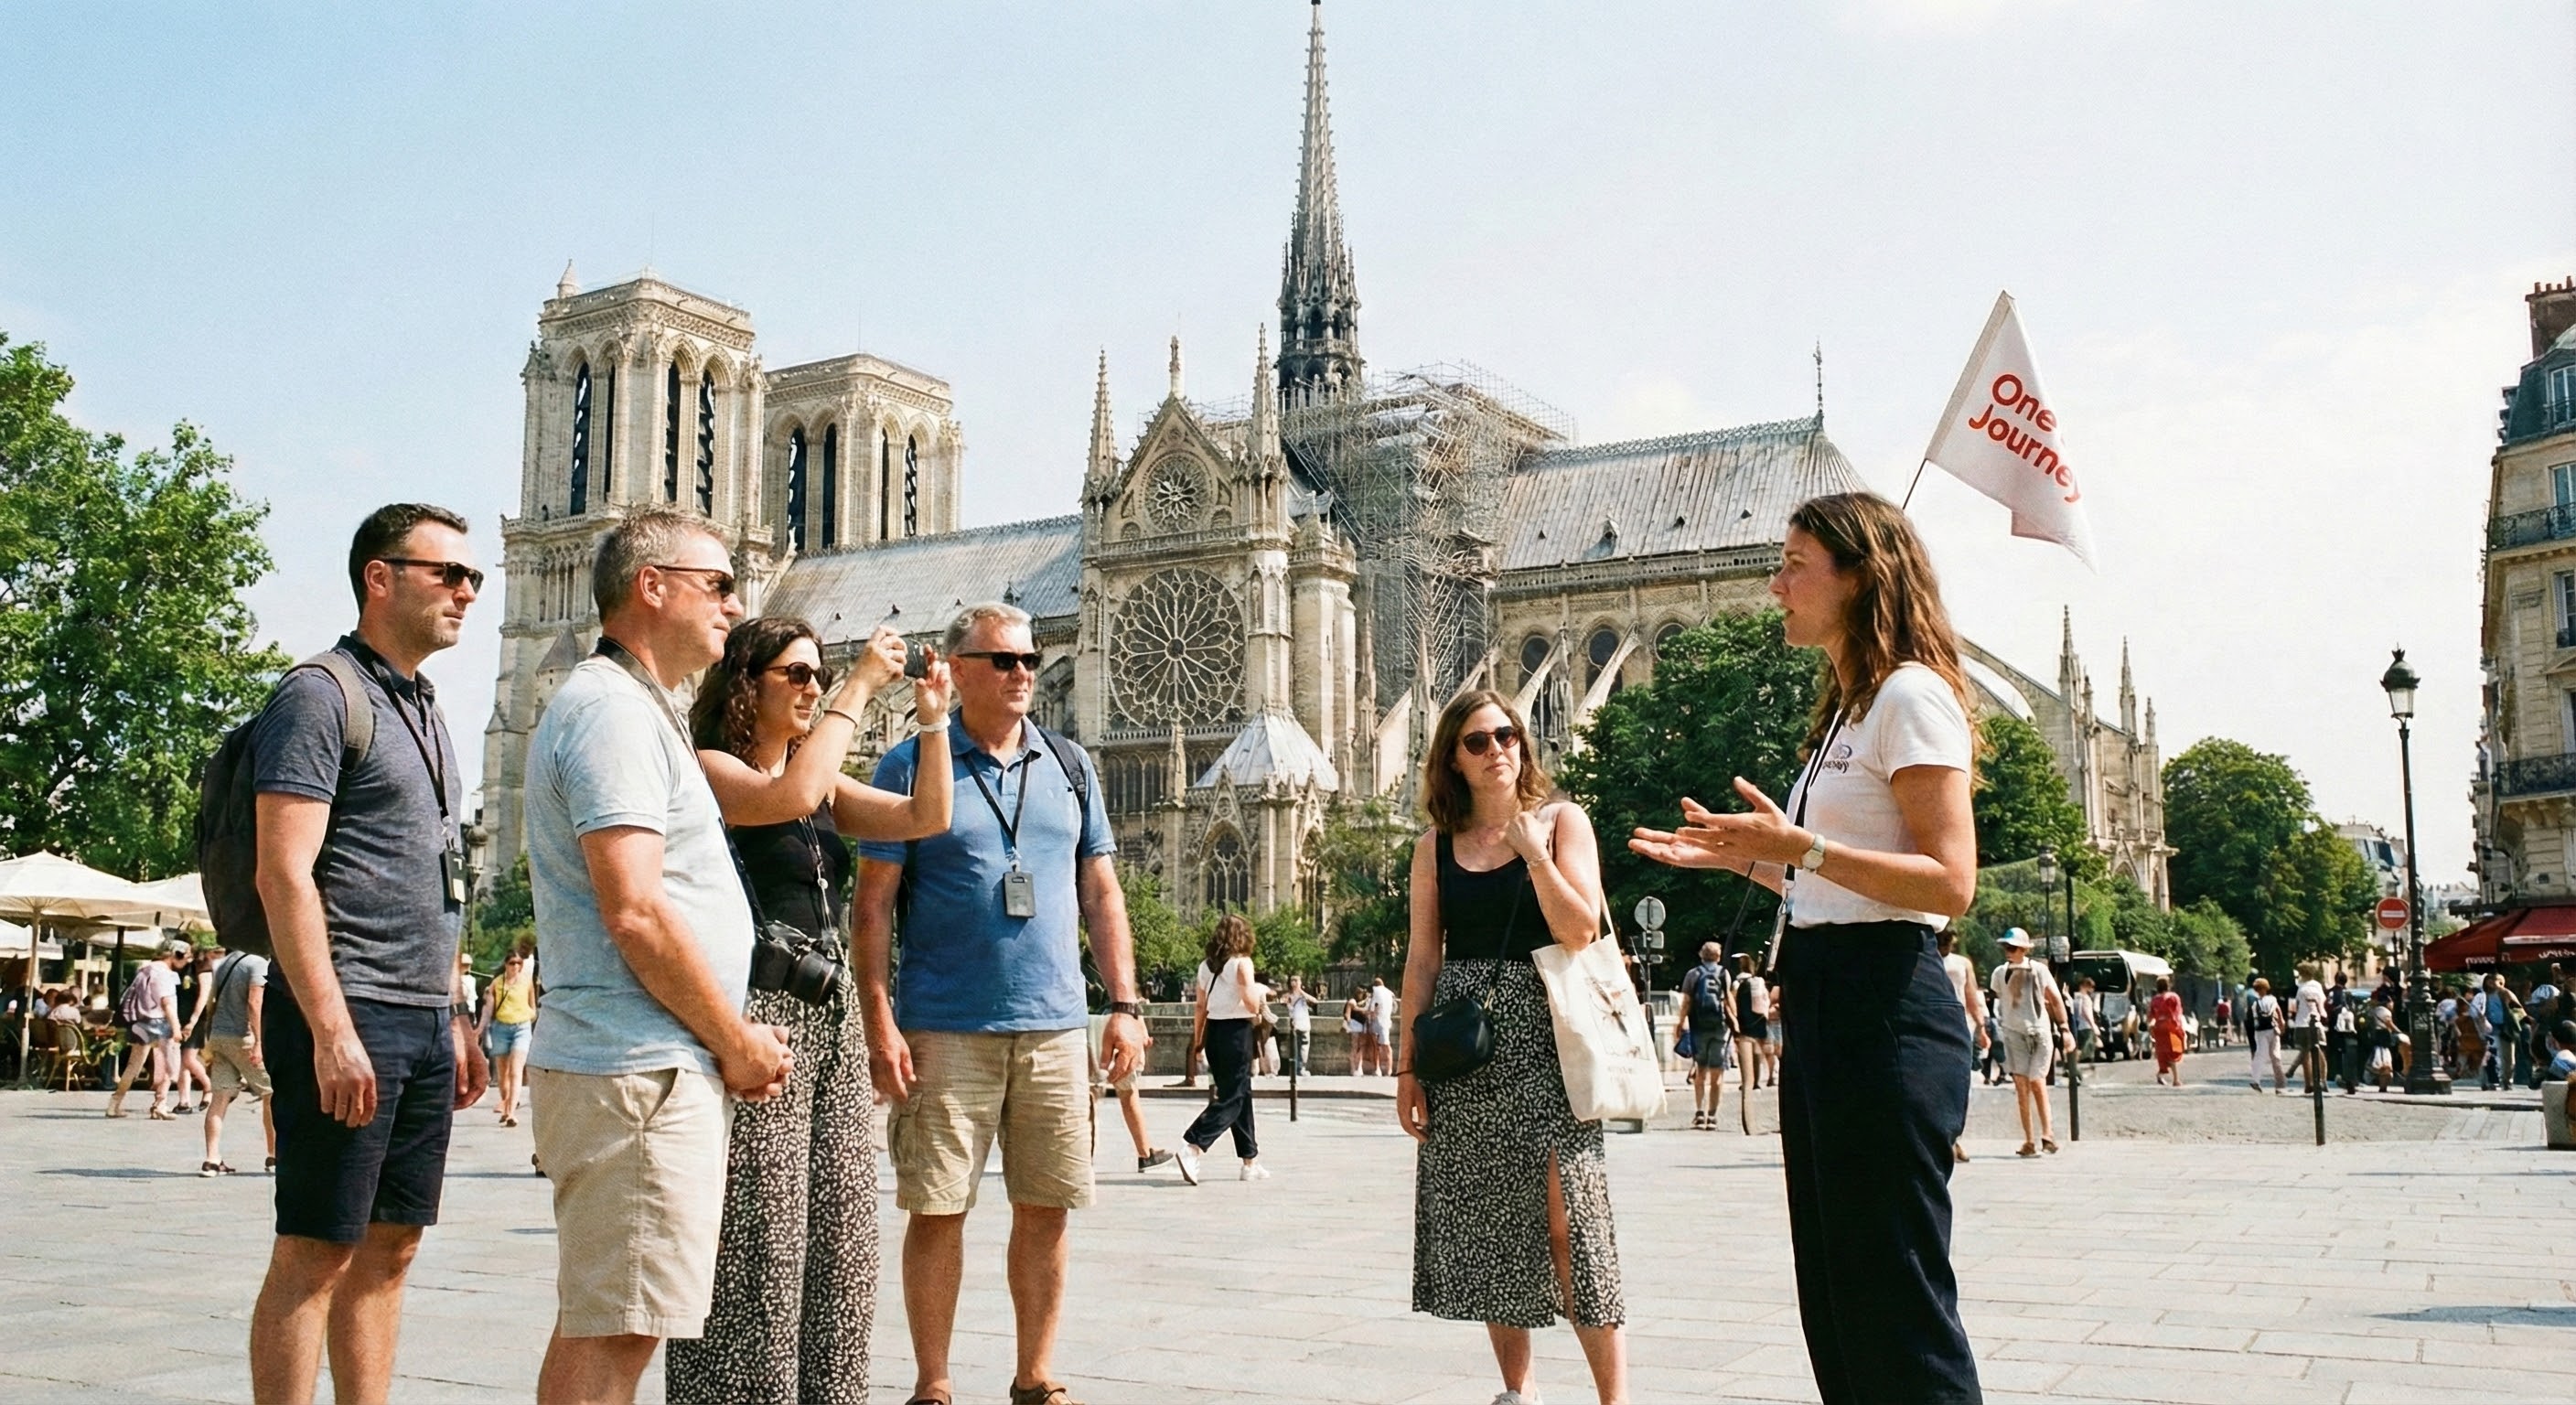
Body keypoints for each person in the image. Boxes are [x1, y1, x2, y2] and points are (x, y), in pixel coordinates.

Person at [1631, 491, 1982, 1404]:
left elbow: (1948, 884)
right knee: (1838, 1306)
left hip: (1883, 1004)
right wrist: (1749, 860)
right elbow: (1827, 886)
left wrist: (1801, 847)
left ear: (1859, 577)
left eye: (1792, 564)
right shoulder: (1849, 710)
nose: (1775, 584)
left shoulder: (1909, 695)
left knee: (1898, 1310)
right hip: (1829, 999)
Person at [521, 507, 791, 1404]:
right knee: (617, 1333)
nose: (735, 603)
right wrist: (734, 1038)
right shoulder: (611, 714)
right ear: (652, 588)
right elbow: (634, 910)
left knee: (612, 1325)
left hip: (641, 1065)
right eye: (717, 584)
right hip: (636, 1070)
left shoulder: (633, 708)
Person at [852, 600, 1148, 1405]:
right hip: (945, 1023)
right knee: (938, 1208)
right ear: (955, 672)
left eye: (1030, 658)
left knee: (1048, 1207)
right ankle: (934, 1382)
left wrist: (1123, 1001)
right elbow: (872, 906)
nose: (1026, 673)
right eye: (1006, 662)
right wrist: (879, 1016)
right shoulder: (911, 764)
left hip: (1054, 1023)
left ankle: (1035, 1373)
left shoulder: (1071, 764)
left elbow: (1102, 891)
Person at [664, 615, 956, 1405]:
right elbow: (784, 796)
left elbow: (924, 818)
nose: (812, 687)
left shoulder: (816, 774)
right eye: (796, 674)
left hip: (830, 1021)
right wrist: (860, 685)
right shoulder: (709, 766)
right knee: (762, 1243)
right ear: (743, 684)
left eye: (818, 674)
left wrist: (932, 721)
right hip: (760, 1013)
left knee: (842, 1241)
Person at [246, 503, 491, 1405]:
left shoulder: (424, 705)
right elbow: (283, 874)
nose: (467, 592)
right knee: (315, 1252)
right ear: (378, 578)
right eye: (447, 575)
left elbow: (443, 879)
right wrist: (330, 1026)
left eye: (473, 578)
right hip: (351, 1009)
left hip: (423, 1019)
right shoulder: (320, 694)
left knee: (391, 1249)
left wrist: (457, 1013)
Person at [1400, 690, 1629, 1405]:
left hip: (1552, 1040)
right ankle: (1517, 1392)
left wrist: (1533, 856)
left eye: (1506, 735)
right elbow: (1421, 960)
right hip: (1468, 1053)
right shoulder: (1435, 847)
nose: (1497, 748)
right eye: (1477, 741)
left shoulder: (1563, 824)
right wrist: (1409, 1068)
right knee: (1496, 1225)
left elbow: (1580, 928)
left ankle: (1613, 1400)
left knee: (1573, 1225)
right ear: (1453, 761)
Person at [1175, 914, 1267, 1184]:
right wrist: (1260, 992)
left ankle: (1249, 1162)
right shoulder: (1242, 964)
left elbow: (1200, 1007)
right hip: (1236, 1033)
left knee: (1240, 1094)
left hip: (1214, 1033)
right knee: (1233, 1098)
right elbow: (1251, 1004)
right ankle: (1193, 1145)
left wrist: (1199, 1040)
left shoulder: (1206, 967)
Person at [1989, 931, 2072, 1156]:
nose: (2009, 952)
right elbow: (1999, 1000)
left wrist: (2065, 1029)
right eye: (2006, 947)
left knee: (2037, 1081)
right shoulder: (2000, 973)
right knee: (2021, 1085)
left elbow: (2055, 999)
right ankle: (2029, 1140)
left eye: (2013, 948)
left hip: (2039, 1032)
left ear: (2025, 949)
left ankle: (2048, 1134)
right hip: (2014, 1032)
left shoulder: (2040, 970)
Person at [201, 944, 276, 1178]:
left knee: (220, 1097)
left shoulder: (223, 963)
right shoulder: (257, 963)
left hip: (219, 1035)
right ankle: (274, 1156)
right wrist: (259, 1041)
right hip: (243, 1037)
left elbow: (211, 1001)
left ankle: (212, 1160)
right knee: (270, 1093)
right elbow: (255, 1002)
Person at [106, 941, 188, 1120]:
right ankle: (161, 1104)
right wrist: (176, 1028)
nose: (187, 962)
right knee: (170, 1065)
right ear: (175, 955)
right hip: (159, 1022)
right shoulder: (163, 974)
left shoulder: (144, 970)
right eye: (186, 957)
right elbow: (166, 1003)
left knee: (133, 1065)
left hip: (140, 1021)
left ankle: (114, 1103)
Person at [1935, 931, 1987, 1164]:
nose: (1946, 943)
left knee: (1960, 1085)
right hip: (1934, 1023)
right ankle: (1945, 1139)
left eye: (1949, 940)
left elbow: (1971, 994)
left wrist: (1981, 1027)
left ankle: (1955, 1137)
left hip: (1960, 1025)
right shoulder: (1928, 959)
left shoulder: (1962, 964)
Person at [476, 951, 537, 1127]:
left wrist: (529, 1015)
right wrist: (480, 1028)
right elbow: (488, 1009)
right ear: (506, 964)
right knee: (503, 1075)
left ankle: (511, 1113)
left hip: (521, 1027)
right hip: (501, 1028)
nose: (516, 966)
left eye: (518, 963)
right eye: (512, 963)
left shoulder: (527, 982)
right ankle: (506, 1103)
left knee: (515, 1071)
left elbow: (532, 1004)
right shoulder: (497, 983)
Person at [1677, 943, 1733, 1132]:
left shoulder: (1693, 974)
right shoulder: (1724, 974)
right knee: (1717, 1075)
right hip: (1720, 1027)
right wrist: (1737, 1022)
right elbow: (1728, 1000)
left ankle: (1699, 1113)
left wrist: (1680, 1023)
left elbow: (1686, 1002)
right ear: (1718, 956)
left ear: (1702, 955)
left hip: (1698, 1027)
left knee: (1700, 1072)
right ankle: (1713, 1116)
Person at [173, 945, 217, 1114]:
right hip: (179, 1019)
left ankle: (209, 1087)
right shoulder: (178, 968)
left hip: (196, 1020)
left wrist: (192, 1021)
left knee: (188, 1058)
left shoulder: (202, 967)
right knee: (182, 1061)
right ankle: (184, 1101)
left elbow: (204, 996)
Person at [2288, 962, 2329, 1095]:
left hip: (2301, 1023)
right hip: (2315, 1022)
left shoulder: (2300, 988)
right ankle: (2322, 1080)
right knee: (2320, 1051)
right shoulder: (2318, 986)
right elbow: (2322, 1005)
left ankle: (2308, 1083)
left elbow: (2296, 1006)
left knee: (2306, 1055)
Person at [2147, 974, 2187, 1088]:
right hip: (2170, 1027)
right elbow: (2177, 1013)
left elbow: (2150, 1016)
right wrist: (2179, 1027)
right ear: (2168, 985)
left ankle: (2160, 1075)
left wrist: (2151, 1027)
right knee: (2173, 1052)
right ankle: (2176, 1079)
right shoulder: (2173, 997)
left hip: (2159, 1028)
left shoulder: (2155, 999)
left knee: (2163, 1053)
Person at [2247, 977, 2285, 1092]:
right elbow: (2278, 1011)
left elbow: (2255, 1020)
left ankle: (2256, 1080)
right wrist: (2281, 1024)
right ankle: (2280, 1085)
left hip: (2260, 1032)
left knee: (2260, 1056)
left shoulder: (2255, 1004)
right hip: (2273, 1030)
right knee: (2276, 1057)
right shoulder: (2272, 999)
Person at [1281, 973, 1316, 1076]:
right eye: (1293, 980)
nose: (1295, 983)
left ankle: (1302, 1068)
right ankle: (1296, 1069)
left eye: (1297, 981)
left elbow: (1315, 1001)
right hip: (1295, 1025)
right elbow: (1283, 1003)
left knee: (1304, 1047)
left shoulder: (1303, 996)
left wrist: (1301, 992)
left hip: (1304, 1024)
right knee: (1295, 1048)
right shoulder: (1288, 996)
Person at [1366, 976, 1397, 1076]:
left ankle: (1378, 1069)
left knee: (1376, 1046)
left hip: (1377, 1021)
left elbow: (1371, 1008)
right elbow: (1394, 1009)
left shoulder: (1376, 991)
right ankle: (1389, 1070)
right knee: (1387, 1046)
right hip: (1386, 1021)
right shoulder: (1390, 993)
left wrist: (1371, 1015)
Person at [2066, 977, 2098, 1067]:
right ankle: (2072, 1064)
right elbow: (2086, 1013)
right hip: (2086, 1026)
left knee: (2082, 1046)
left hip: (2079, 1025)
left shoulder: (2077, 997)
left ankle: (2072, 1063)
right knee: (2084, 1047)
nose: (2092, 989)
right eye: (2091, 987)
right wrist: (2093, 1025)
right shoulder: (2085, 998)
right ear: (2086, 986)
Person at [1343, 982, 1373, 1075]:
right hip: (1355, 1026)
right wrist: (1348, 1024)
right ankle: (1353, 1068)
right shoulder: (1352, 1001)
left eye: (1362, 992)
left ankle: (1359, 1067)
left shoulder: (1364, 1002)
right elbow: (1349, 1012)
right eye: (1359, 992)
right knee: (1355, 1046)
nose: (1360, 994)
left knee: (1361, 1047)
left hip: (1362, 1026)